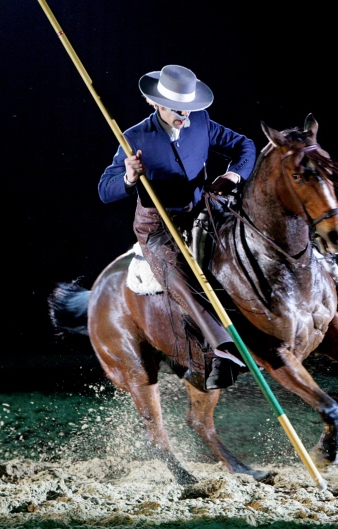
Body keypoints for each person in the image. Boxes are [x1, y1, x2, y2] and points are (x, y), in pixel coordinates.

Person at [98, 64, 257, 390]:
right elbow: (104, 190)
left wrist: (234, 173)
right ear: (155, 103)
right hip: (157, 227)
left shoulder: (201, 121)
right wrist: (129, 177)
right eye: (177, 110)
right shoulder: (134, 138)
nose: (185, 115)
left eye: (188, 108)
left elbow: (245, 146)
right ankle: (221, 349)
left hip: (202, 211)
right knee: (179, 276)